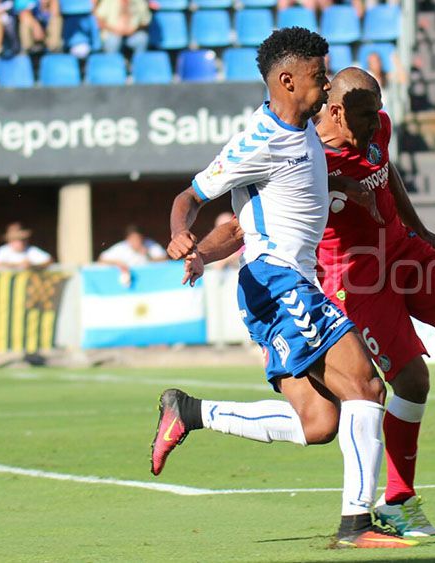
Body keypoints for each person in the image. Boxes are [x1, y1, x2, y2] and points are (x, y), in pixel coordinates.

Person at [185, 66, 435, 539]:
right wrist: (198, 252)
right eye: (364, 115)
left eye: (379, 111)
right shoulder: (304, 153)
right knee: (412, 382)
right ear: (335, 112)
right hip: (354, 279)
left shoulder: (377, 125)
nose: (376, 122)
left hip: (401, 250)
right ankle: (398, 500)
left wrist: (420, 230)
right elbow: (241, 227)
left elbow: (386, 171)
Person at [149, 28, 416, 550]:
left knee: (318, 422)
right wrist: (182, 235)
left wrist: (346, 186)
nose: (326, 85)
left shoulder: (304, 129)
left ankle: (189, 412)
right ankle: (357, 525)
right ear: (288, 81)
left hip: (272, 283)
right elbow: (191, 194)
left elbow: (252, 222)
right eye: (320, 77)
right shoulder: (259, 141)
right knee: (366, 387)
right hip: (278, 280)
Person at [97, 225, 167, 285]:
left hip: (150, 281)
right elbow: (101, 259)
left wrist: (148, 255)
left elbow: (165, 258)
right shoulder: (121, 247)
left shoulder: (149, 245)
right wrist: (117, 263)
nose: (136, 242)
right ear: (127, 239)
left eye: (138, 239)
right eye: (133, 239)